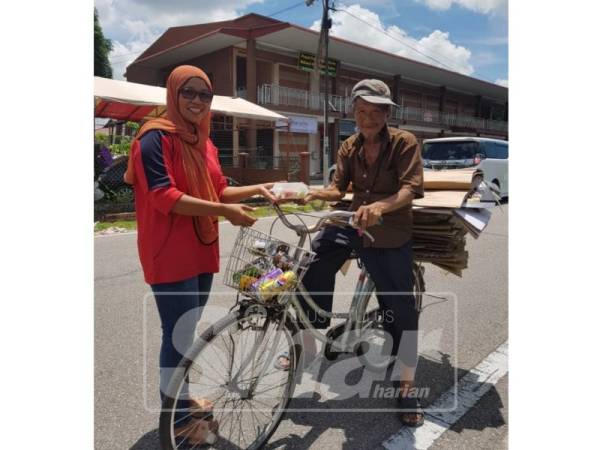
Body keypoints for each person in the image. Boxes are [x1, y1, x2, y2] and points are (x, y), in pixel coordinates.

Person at [124, 65, 276, 444]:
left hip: (202, 246)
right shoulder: (153, 139)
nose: (196, 101)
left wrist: (263, 188)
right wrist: (225, 213)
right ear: (173, 94)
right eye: (188, 92)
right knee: (175, 335)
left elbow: (218, 190)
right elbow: (163, 196)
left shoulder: (203, 141)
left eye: (204, 94)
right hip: (169, 250)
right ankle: (176, 422)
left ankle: (182, 402)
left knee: (188, 335)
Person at [282, 79, 425, 426]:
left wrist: (381, 207)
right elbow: (338, 188)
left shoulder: (404, 142)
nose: (368, 118)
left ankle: (407, 385)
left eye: (376, 111)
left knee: (400, 308)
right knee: (314, 261)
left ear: (387, 113)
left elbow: (411, 189)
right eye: (362, 111)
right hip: (352, 223)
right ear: (354, 111)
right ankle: (311, 343)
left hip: (389, 231)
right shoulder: (349, 145)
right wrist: (313, 194)